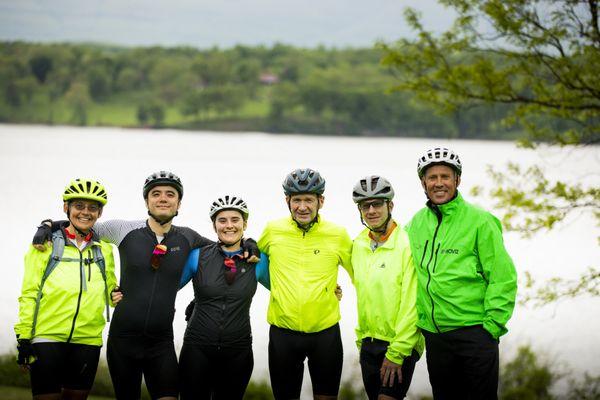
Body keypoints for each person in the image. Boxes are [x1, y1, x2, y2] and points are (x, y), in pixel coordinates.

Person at [31, 171, 259, 400]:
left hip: (161, 343)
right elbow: (82, 224)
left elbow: (224, 247)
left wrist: (251, 243)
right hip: (123, 341)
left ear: (179, 202)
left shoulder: (188, 238)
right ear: (146, 200)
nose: (163, 198)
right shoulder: (123, 230)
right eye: (156, 193)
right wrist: (49, 225)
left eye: (170, 194)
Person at [405, 147, 518, 400]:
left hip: (475, 334)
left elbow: (503, 277)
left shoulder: (480, 221)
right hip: (436, 336)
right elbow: (400, 268)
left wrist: (491, 327)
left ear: (457, 180)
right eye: (432, 178)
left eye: (445, 176)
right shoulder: (415, 224)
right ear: (423, 182)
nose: (439, 183)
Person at [15, 178, 117, 400]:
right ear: (66, 208)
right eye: (79, 206)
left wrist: (115, 294)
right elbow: (30, 293)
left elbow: (110, 290)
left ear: (99, 213)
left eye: (92, 208)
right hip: (46, 337)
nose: (85, 213)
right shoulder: (45, 246)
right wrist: (23, 338)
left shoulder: (105, 250)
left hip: (87, 340)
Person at [258, 168, 353, 400]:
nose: (302, 207)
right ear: (287, 201)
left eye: (309, 200)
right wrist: (282, 289)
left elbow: (362, 274)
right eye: (297, 200)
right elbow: (255, 267)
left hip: (325, 334)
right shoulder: (272, 230)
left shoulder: (337, 234)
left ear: (321, 201)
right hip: (283, 334)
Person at [177, 195, 270, 399]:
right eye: (222, 220)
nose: (229, 225)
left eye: (235, 220)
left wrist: (328, 288)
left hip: (238, 351)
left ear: (245, 223)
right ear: (214, 226)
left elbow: (287, 289)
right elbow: (166, 287)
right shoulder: (197, 256)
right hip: (197, 348)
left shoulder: (258, 260)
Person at [351, 175, 424, 400]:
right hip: (368, 344)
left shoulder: (407, 244)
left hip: (399, 345)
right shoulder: (359, 244)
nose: (371, 210)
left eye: (377, 204)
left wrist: (398, 351)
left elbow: (413, 301)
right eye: (365, 206)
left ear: (390, 205)